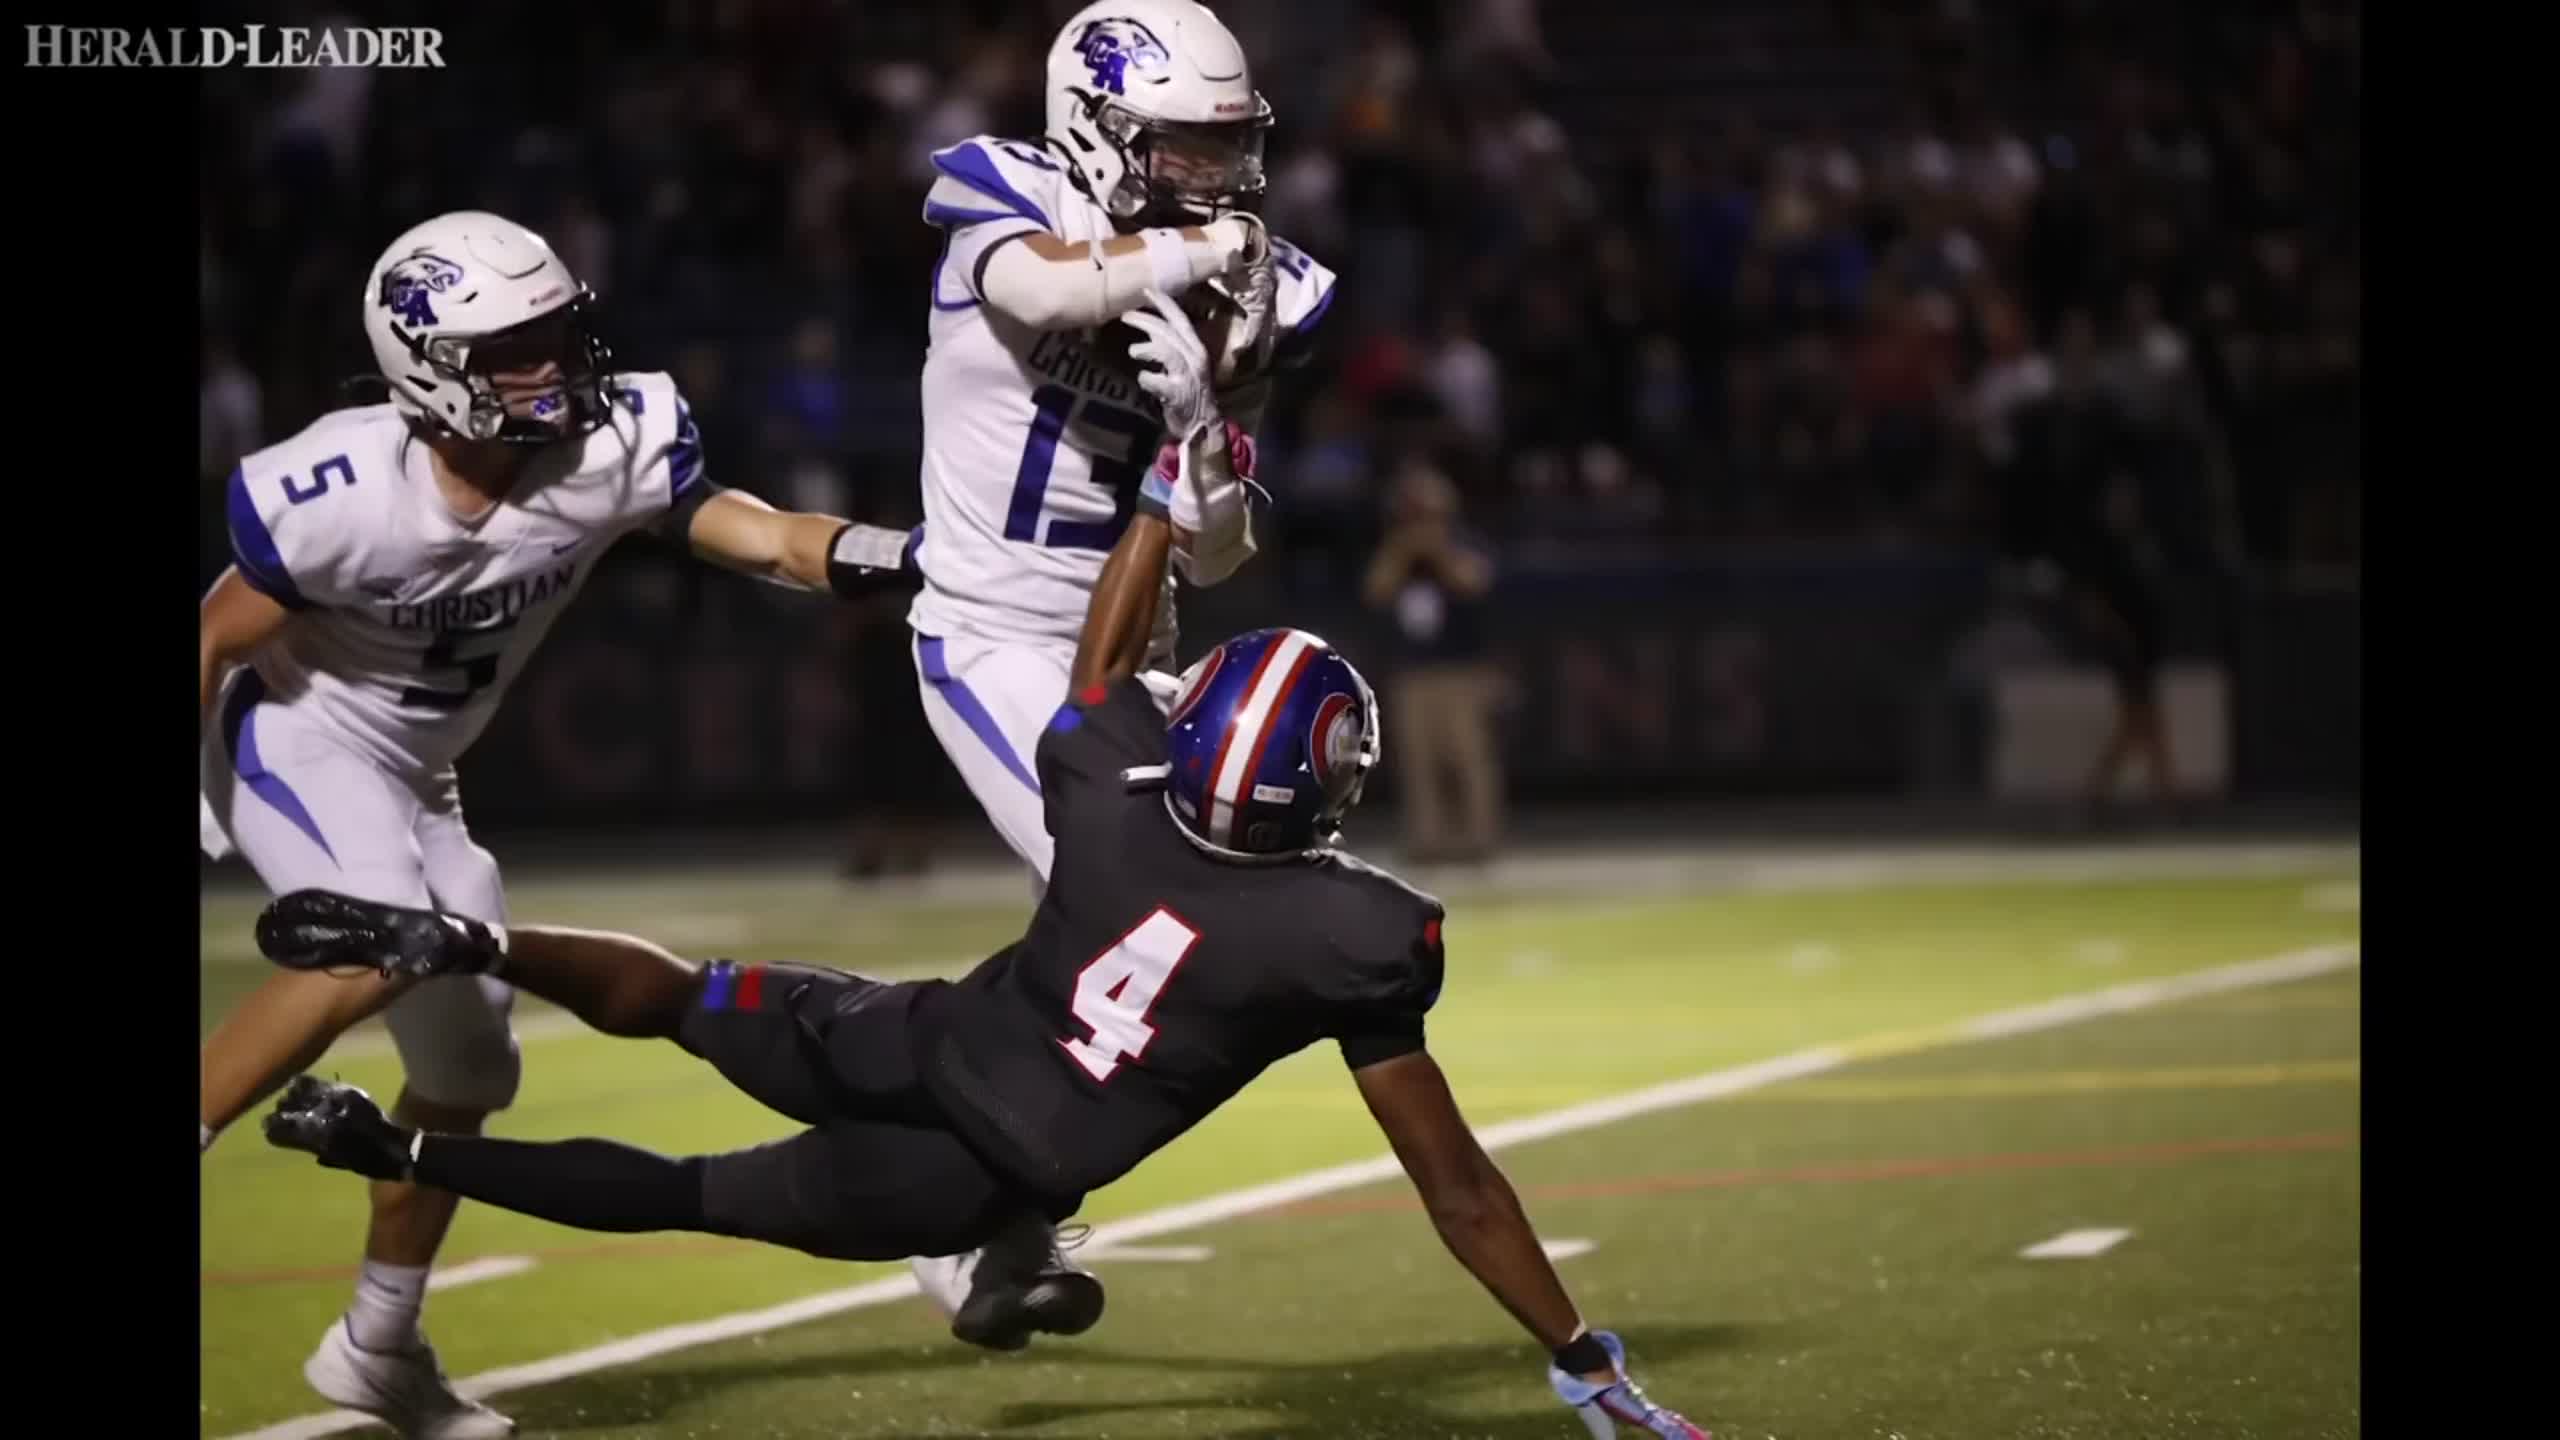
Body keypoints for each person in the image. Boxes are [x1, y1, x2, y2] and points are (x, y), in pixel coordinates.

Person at [256, 293, 1713, 1438]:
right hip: (972, 1172)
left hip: (909, 1036)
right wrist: (1576, 1351)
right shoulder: (1361, 936)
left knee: (688, 998)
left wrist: (1155, 490)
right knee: (692, 1192)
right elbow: (1458, 1191)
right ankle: (397, 1149)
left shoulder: (1109, 789)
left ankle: (481, 947)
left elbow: (1093, 655)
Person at [199, 209, 919, 1439]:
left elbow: (763, 538)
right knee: (380, 939)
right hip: (304, 734)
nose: (553, 367)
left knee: (472, 1066)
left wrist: (900, 553)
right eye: (514, 348)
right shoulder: (335, 490)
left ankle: (378, 1342)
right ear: (429, 370)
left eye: (554, 333)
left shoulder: (610, 446)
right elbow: (215, 640)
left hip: (425, 771)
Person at [905, 0, 1337, 886]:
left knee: (1248, 882)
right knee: (1130, 889)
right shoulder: (1015, 190)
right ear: (1095, 129)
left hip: (1144, 647)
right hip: (998, 630)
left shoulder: (1257, 291)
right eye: (1184, 147)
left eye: (1229, 148)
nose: (1218, 177)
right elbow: (1048, 293)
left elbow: (1216, 554)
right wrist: (1213, 247)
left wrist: (1199, 435)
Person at [1361, 461, 1504, 863]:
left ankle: (1479, 839)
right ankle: (1428, 841)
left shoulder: (1465, 543)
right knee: (1418, 761)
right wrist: (1405, 549)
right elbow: (1376, 591)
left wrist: (1438, 550)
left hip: (1461, 670)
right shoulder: (1397, 552)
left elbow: (1473, 582)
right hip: (1413, 672)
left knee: (1468, 756)